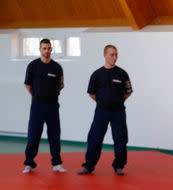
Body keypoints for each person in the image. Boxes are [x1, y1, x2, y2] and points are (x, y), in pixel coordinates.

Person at [78, 45, 133, 176]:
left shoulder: (122, 73)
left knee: (120, 139)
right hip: (101, 111)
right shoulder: (97, 75)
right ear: (105, 55)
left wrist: (117, 101)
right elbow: (91, 93)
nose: (114, 57)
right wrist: (103, 102)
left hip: (118, 112)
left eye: (116, 55)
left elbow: (128, 92)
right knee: (94, 139)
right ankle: (89, 166)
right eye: (112, 54)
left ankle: (119, 166)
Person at [23, 38, 66, 174]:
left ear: (51, 49)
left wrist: (50, 95)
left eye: (48, 48)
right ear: (40, 49)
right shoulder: (32, 66)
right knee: (33, 135)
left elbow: (60, 86)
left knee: (54, 135)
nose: (46, 51)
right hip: (37, 105)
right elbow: (27, 84)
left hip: (52, 106)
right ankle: (29, 163)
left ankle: (57, 164)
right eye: (44, 48)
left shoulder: (57, 67)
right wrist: (37, 96)